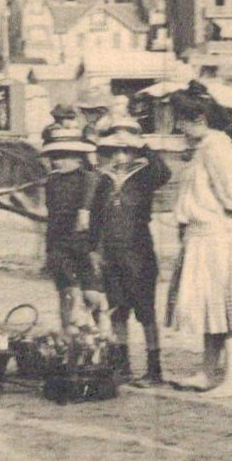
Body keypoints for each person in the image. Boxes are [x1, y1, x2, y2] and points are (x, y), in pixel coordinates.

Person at [165, 91, 232, 396]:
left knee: (230, 306)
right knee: (210, 307)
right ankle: (209, 372)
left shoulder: (218, 147)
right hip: (204, 236)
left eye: (181, 122)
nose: (179, 129)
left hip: (222, 237)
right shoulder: (204, 146)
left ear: (199, 119)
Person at [89, 118, 171, 383]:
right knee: (118, 310)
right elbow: (95, 218)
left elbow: (163, 172)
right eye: (114, 150)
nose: (120, 156)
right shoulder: (104, 180)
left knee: (145, 312)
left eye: (126, 150)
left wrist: (143, 145)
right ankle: (122, 364)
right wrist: (93, 249)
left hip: (139, 253)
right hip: (111, 254)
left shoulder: (145, 176)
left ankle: (154, 367)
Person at [42, 130, 105, 331]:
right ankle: (68, 338)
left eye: (64, 157)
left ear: (79, 158)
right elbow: (52, 214)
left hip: (87, 244)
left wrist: (84, 209)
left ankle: (97, 333)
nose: (58, 162)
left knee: (92, 296)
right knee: (67, 293)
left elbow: (92, 198)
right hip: (60, 243)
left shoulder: (91, 179)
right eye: (55, 157)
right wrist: (50, 249)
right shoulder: (52, 181)